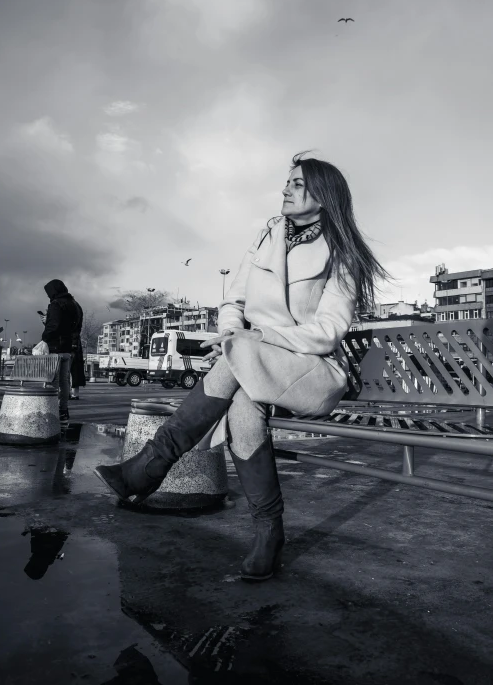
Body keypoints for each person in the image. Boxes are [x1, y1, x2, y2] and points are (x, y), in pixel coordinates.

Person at [94, 153, 389, 581]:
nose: (286, 189)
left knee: (241, 358)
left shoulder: (343, 254)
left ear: (324, 197)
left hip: (311, 368)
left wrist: (255, 339)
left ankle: (150, 467)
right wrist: (236, 336)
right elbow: (233, 301)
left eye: (298, 184)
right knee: (241, 413)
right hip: (255, 362)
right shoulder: (268, 234)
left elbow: (327, 332)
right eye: (287, 182)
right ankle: (268, 534)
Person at [40, 280, 83, 422]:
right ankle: (63, 411)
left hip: (55, 348)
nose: (49, 297)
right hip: (68, 349)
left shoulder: (56, 304)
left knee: (53, 380)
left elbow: (54, 325)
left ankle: (51, 411)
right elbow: (74, 327)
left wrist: (44, 337)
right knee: (65, 382)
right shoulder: (76, 305)